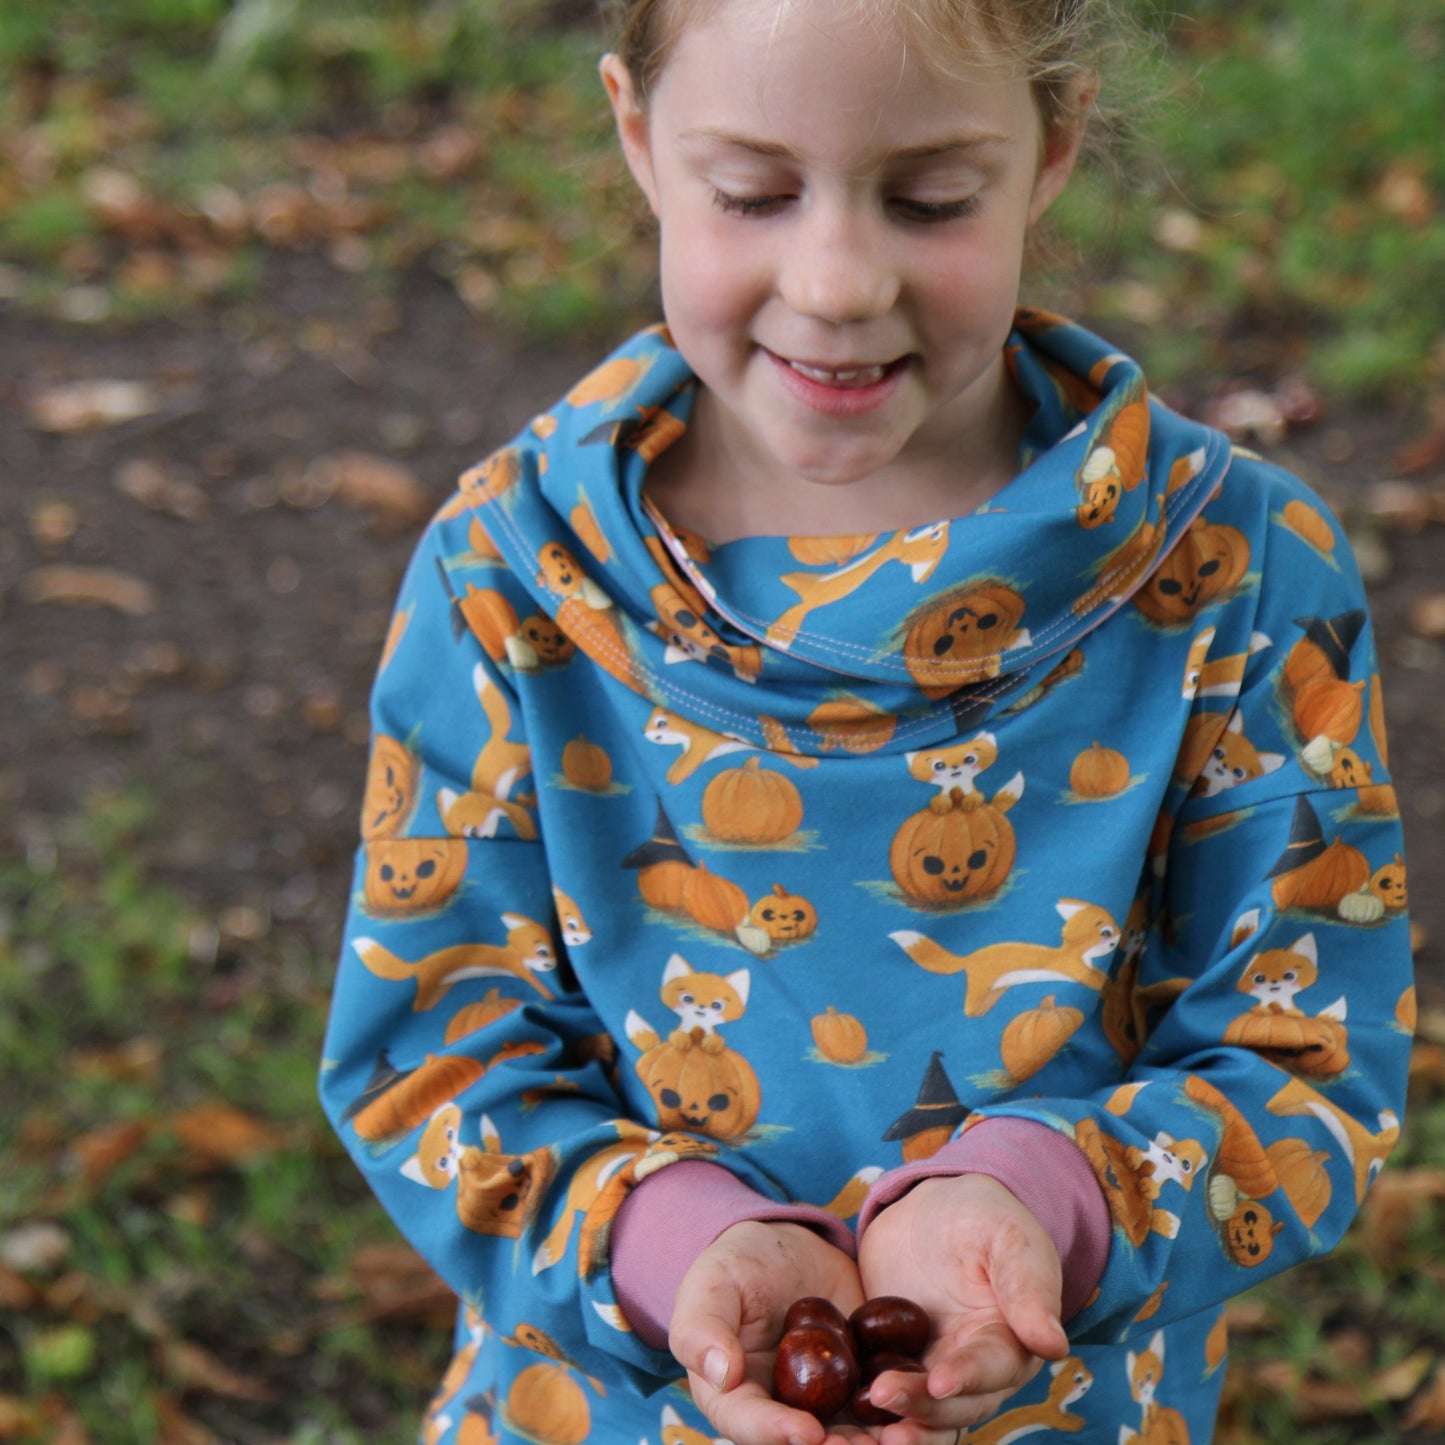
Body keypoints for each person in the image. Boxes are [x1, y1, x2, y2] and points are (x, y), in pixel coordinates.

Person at [319, 1, 1414, 1441]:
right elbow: (435, 1051)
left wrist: (1037, 1197)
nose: (835, 280)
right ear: (639, 140)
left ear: (1052, 146)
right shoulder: (513, 574)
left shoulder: (1232, 572)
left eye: (928, 198)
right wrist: (674, 1245)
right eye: (753, 192)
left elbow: (1301, 1049)